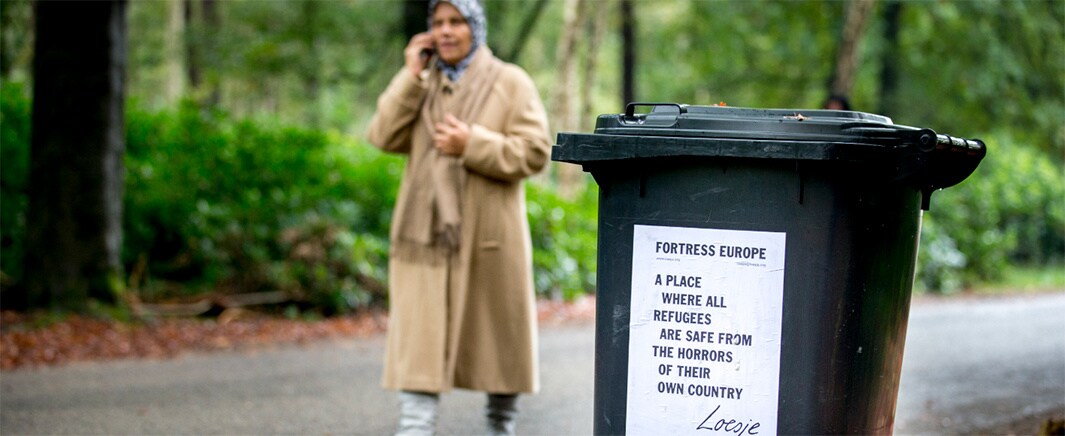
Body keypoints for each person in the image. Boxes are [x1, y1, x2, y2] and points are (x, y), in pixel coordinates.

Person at [365, 0, 550, 434]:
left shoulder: (510, 81)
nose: (446, 31)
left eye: (457, 22)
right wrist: (410, 74)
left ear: (475, 27)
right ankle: (415, 428)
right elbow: (382, 135)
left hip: (489, 238)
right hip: (423, 239)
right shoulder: (422, 83)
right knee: (418, 342)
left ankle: (500, 426)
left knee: (499, 343)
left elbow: (536, 152)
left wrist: (474, 144)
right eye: (439, 22)